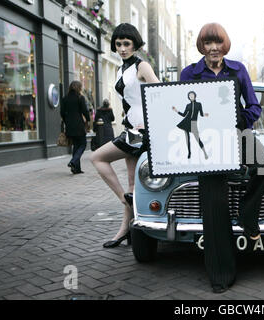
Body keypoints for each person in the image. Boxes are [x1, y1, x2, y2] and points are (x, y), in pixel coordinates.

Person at [180, 22, 264, 293]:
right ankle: (220, 274)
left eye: (217, 42)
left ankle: (247, 214)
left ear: (225, 45)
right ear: (202, 46)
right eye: (208, 43)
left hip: (237, 134)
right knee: (214, 206)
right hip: (206, 145)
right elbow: (177, 105)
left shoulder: (238, 70)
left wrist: (238, 121)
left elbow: (254, 106)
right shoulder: (190, 73)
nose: (213, 48)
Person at [90, 23, 159, 248]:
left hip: (141, 131)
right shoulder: (122, 69)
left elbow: (160, 93)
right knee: (132, 182)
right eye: (118, 44)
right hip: (131, 129)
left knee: (98, 157)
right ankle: (125, 230)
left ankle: (124, 200)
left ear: (135, 44)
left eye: (126, 44)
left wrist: (149, 122)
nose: (122, 48)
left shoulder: (142, 66)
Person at [60, 80, 90, 174]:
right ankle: (73, 161)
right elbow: (85, 111)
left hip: (69, 126)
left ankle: (76, 169)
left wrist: (66, 121)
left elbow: (62, 113)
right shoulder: (80, 98)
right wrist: (88, 120)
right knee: (83, 144)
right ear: (79, 88)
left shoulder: (65, 98)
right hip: (79, 125)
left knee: (76, 146)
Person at [172, 91, 209, 159]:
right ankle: (189, 153)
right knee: (187, 139)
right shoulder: (188, 105)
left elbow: (201, 114)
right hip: (186, 122)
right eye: (189, 96)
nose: (191, 96)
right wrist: (176, 110)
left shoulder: (199, 104)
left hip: (193, 123)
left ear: (195, 96)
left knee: (197, 139)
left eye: (192, 95)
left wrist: (205, 114)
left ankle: (205, 153)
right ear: (188, 97)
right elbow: (183, 115)